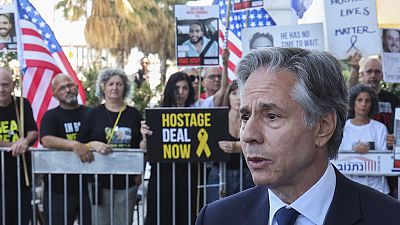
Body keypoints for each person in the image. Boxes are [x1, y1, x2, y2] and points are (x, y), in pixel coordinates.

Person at [196, 47, 400, 225]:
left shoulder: (389, 218)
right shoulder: (216, 218)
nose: (248, 135)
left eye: (271, 116)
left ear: (323, 127)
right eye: (246, 116)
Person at [77, 68, 143, 225]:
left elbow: (140, 146)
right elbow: (80, 142)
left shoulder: (134, 114)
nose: (115, 88)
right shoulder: (92, 114)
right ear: (103, 87)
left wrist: (139, 173)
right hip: (99, 180)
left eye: (119, 84)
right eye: (111, 84)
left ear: (125, 88)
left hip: (127, 181)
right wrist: (92, 144)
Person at [141, 72, 199, 225]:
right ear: (169, 89)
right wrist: (144, 136)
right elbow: (144, 148)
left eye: (185, 88)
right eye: (176, 88)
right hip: (162, 177)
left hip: (188, 176)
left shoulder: (197, 114)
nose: (180, 93)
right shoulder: (156, 114)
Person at [40, 74, 93, 225]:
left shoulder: (90, 113)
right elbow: (46, 140)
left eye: (70, 85)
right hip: (59, 187)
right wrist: (74, 145)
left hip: (87, 184)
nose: (68, 90)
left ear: (77, 88)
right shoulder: (51, 116)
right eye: (62, 88)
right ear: (55, 93)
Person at [0, 67, 38, 225]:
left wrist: (25, 141)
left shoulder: (22, 104)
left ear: (13, 84)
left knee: (21, 217)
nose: (1, 89)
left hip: (21, 174)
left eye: (5, 85)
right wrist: (13, 145)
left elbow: (33, 132)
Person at [206, 80, 254, 203]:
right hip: (219, 173)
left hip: (247, 173)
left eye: (241, 93)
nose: (238, 98)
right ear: (228, 96)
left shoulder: (253, 119)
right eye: (233, 93)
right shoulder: (217, 118)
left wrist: (237, 147)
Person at [339, 85, 390, 194]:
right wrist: (354, 150)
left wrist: (369, 150)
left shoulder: (380, 128)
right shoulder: (342, 128)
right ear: (353, 103)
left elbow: (384, 157)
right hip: (349, 188)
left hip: (378, 188)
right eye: (360, 100)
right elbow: (337, 156)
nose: (363, 104)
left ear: (372, 104)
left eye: (367, 101)